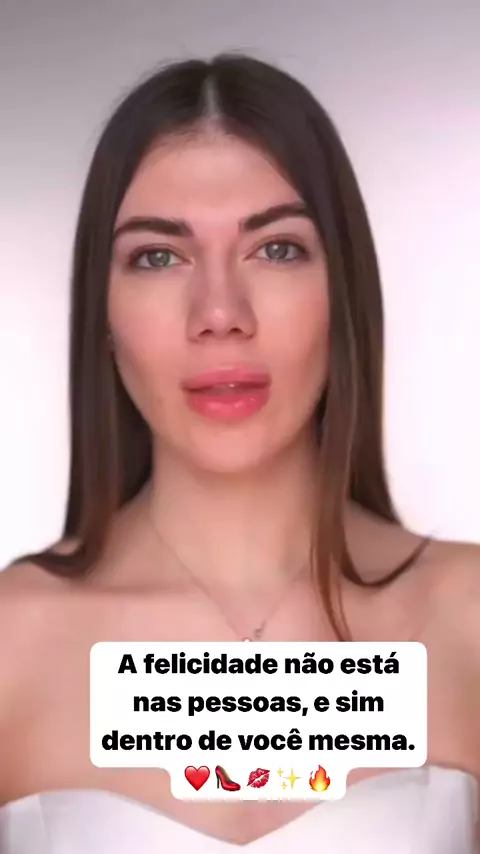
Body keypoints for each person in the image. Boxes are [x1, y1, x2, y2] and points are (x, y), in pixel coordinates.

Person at [0, 53, 478, 854]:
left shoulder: (468, 618)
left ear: (343, 290)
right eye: (159, 256)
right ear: (103, 312)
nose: (220, 312)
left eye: (276, 248)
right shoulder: (11, 645)